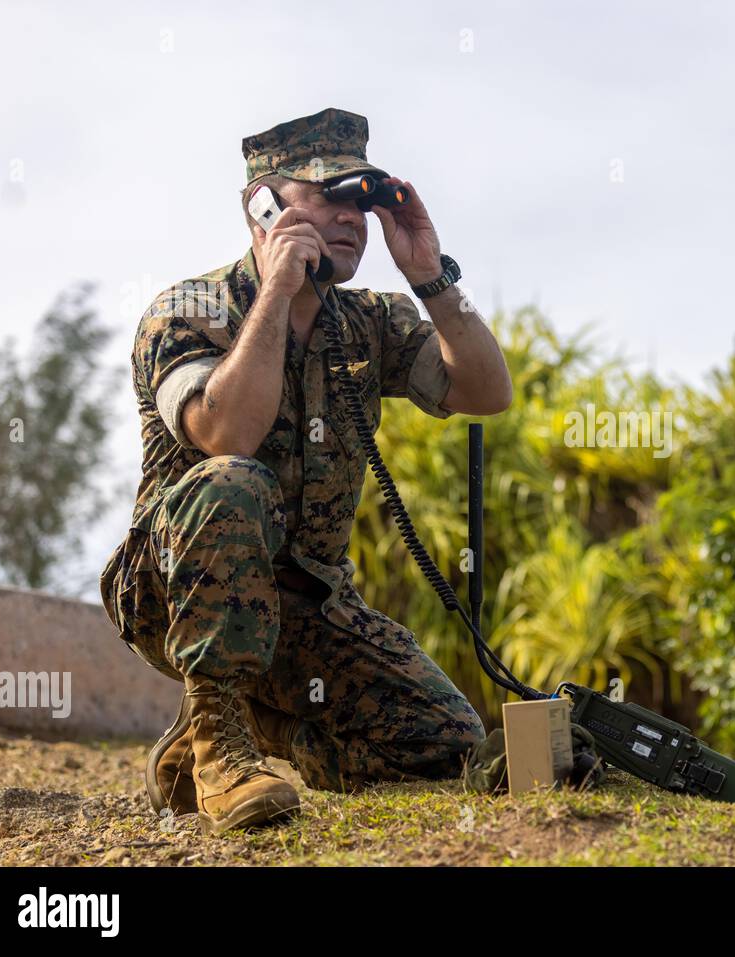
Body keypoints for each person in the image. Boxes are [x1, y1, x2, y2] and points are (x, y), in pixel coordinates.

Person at [98, 107, 513, 835]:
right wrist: (278, 293)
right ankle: (220, 747)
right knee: (234, 479)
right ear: (264, 205)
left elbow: (487, 391)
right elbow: (226, 431)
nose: (353, 216)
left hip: (305, 605)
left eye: (362, 198)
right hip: (174, 590)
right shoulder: (186, 310)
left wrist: (432, 276)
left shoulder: (368, 322)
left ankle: (245, 732)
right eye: (329, 195)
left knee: (447, 743)